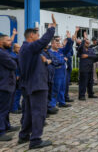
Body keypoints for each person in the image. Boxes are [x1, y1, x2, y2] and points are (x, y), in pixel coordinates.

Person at [18, 14, 56, 149]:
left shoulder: (25, 49)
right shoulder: (29, 47)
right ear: (31, 37)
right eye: (36, 35)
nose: (38, 37)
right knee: (39, 112)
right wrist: (51, 29)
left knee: (28, 112)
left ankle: (23, 135)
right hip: (37, 85)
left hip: (29, 85)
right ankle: (35, 140)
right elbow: (43, 41)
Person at [0, 34, 19, 142]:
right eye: (8, 40)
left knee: (6, 108)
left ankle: (7, 125)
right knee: (2, 110)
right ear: (1, 42)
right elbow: (14, 65)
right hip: (4, 85)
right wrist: (14, 59)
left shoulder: (5, 52)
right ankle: (1, 131)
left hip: (8, 84)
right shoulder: (2, 53)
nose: (10, 42)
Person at [48, 32, 73, 108]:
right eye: (56, 43)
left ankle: (62, 102)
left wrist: (69, 39)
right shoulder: (50, 52)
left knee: (62, 88)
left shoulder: (60, 51)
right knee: (55, 89)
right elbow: (56, 62)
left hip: (63, 72)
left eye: (58, 42)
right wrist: (63, 60)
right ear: (52, 44)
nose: (58, 44)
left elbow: (68, 47)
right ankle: (52, 105)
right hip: (56, 72)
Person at [77, 31, 98, 101]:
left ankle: (90, 94)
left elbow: (95, 56)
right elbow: (80, 48)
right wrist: (84, 39)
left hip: (90, 68)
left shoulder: (91, 49)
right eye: (86, 43)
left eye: (88, 43)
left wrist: (87, 56)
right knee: (83, 82)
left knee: (90, 82)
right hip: (84, 69)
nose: (88, 44)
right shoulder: (81, 49)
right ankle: (81, 95)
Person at [41, 45, 58, 115]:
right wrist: (48, 61)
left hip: (51, 76)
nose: (46, 45)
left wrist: (50, 61)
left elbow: (56, 61)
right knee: (44, 94)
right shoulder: (40, 53)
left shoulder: (50, 52)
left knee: (49, 93)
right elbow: (43, 62)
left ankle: (48, 107)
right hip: (44, 76)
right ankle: (44, 110)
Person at [63, 37, 74, 103]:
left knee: (67, 84)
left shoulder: (69, 49)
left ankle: (66, 97)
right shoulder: (61, 49)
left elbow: (71, 54)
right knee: (63, 84)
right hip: (63, 69)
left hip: (68, 68)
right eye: (65, 41)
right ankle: (63, 98)